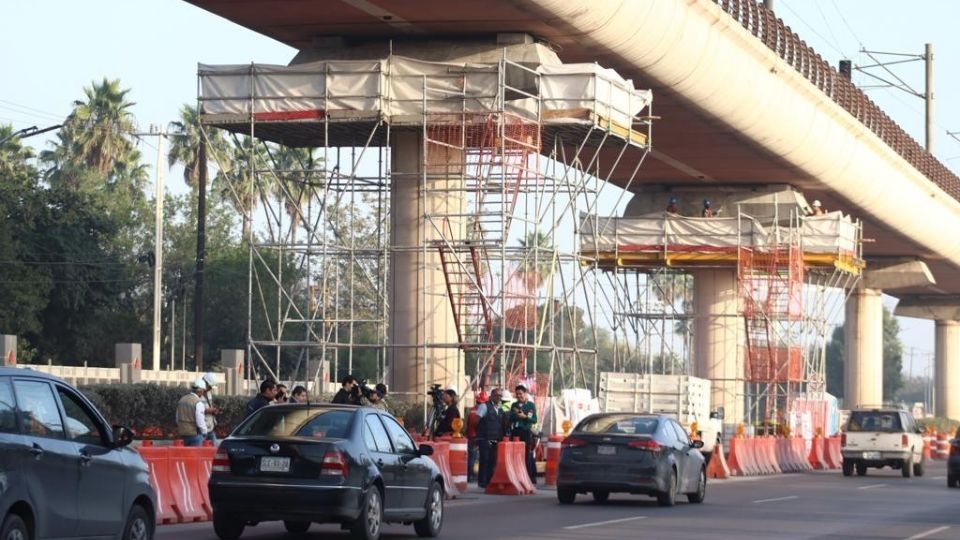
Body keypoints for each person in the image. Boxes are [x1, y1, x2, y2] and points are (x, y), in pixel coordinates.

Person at [475, 388, 505, 488]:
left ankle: (489, 481)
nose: (498, 397)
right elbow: (475, 420)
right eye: (496, 395)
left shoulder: (500, 409)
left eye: (500, 396)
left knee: (493, 460)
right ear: (491, 396)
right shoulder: (484, 406)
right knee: (484, 460)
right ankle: (482, 482)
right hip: (485, 438)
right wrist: (478, 433)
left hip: (495, 439)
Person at [509, 385, 538, 484]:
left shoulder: (530, 405)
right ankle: (516, 476)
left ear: (525, 394)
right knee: (515, 455)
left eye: (520, 394)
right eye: (517, 394)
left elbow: (534, 420)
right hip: (516, 432)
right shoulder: (514, 405)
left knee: (526, 455)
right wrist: (516, 415)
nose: (519, 396)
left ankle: (528, 478)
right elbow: (510, 418)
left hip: (526, 432)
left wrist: (525, 417)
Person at [176, 378, 210, 446]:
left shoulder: (182, 399)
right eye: (203, 391)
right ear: (200, 390)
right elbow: (200, 421)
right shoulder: (198, 403)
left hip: (182, 434)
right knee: (195, 455)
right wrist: (205, 432)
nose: (203, 393)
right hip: (195, 435)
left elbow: (177, 418)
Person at [466, 391, 487, 483]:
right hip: (477, 436)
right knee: (474, 457)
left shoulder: (471, 410)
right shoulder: (482, 411)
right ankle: (470, 475)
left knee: (471, 456)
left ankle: (470, 474)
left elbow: (467, 423)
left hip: (470, 435)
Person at [200, 372, 221, 443]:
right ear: (205, 383)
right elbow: (194, 410)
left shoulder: (208, 393)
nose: (211, 388)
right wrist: (207, 411)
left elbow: (209, 405)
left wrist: (214, 410)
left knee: (214, 448)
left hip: (210, 427)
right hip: (201, 428)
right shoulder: (197, 393)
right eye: (210, 386)